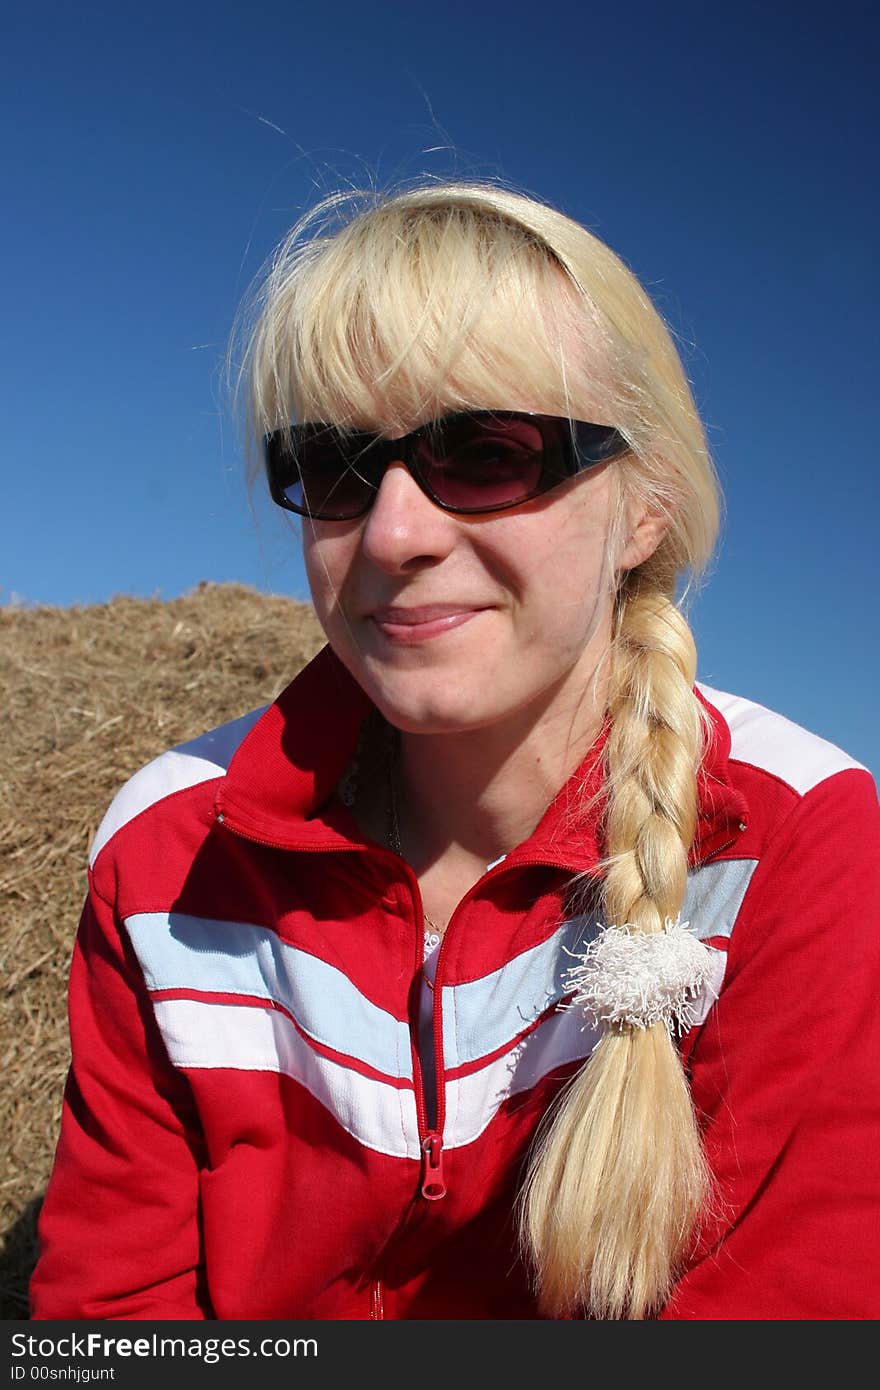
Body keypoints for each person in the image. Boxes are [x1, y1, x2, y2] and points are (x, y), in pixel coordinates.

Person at [30, 181, 880, 1321]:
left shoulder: (798, 847)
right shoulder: (170, 850)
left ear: (646, 508)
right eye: (333, 466)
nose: (392, 534)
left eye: (484, 452)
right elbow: (113, 1317)